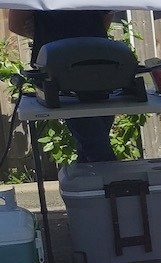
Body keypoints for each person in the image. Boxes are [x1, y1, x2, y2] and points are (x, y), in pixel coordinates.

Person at [6, 10, 119, 163]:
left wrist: (50, 35)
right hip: (88, 62)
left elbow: (16, 24)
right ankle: (115, 183)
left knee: (92, 144)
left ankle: (92, 183)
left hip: (77, 63)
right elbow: (16, 24)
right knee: (96, 145)